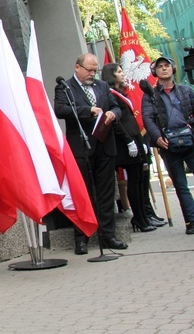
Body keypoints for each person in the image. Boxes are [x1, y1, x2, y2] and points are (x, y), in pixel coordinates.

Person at [54, 53, 127, 254]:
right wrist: (88, 110)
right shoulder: (65, 87)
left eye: (95, 70)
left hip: (104, 145)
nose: (92, 74)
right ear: (77, 67)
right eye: (89, 70)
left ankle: (108, 235)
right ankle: (81, 236)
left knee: (106, 192)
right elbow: (60, 110)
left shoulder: (102, 86)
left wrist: (113, 113)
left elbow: (116, 106)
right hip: (81, 148)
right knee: (82, 193)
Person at [141, 56, 194, 235]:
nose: (163, 69)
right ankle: (192, 221)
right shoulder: (150, 96)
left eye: (166, 66)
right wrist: (157, 137)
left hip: (191, 144)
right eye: (160, 67)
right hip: (169, 146)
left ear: (173, 69)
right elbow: (148, 119)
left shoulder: (186, 90)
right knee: (180, 186)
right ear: (155, 72)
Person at [100, 63, 156, 233]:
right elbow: (116, 121)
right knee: (133, 179)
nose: (122, 74)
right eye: (118, 72)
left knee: (140, 178)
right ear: (111, 75)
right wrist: (129, 141)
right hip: (124, 142)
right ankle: (138, 218)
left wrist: (140, 141)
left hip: (135, 137)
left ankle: (144, 216)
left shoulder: (122, 92)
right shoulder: (109, 94)